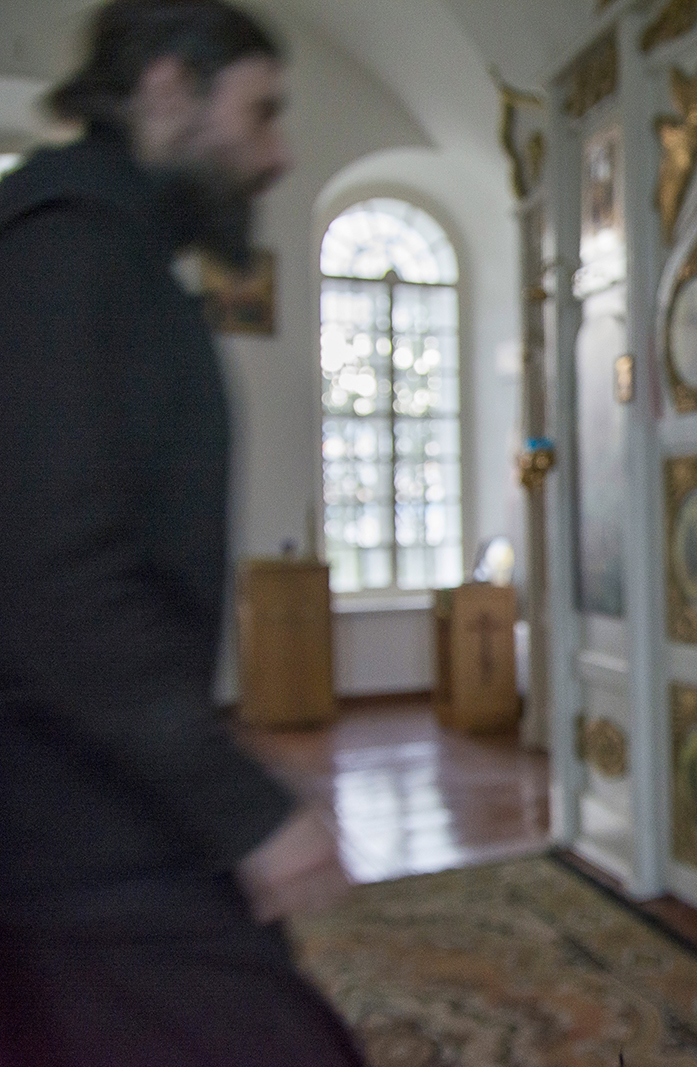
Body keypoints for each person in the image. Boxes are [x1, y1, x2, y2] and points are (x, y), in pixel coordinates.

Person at [0, 2, 366, 1063]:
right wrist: (243, 805)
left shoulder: (100, 252)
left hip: (99, 809)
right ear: (167, 90)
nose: (278, 152)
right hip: (75, 836)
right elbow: (57, 583)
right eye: (259, 114)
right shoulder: (65, 256)